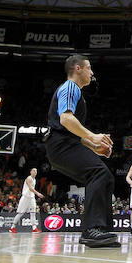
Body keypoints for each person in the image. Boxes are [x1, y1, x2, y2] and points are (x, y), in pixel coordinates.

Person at [44, 54, 118, 247]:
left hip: (65, 143)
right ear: (78, 68)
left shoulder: (76, 92)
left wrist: (94, 147)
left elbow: (73, 132)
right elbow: (66, 120)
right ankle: (91, 230)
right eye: (89, 68)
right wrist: (93, 136)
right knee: (99, 173)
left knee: (105, 176)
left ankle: (101, 229)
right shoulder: (70, 87)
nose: (92, 72)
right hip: (59, 145)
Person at [10, 168, 44, 233]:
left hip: (31, 197)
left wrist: (35, 194)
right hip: (25, 197)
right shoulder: (29, 178)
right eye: (34, 171)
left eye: (36, 171)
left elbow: (32, 190)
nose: (35, 172)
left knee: (33, 212)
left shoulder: (35, 180)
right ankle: (12, 227)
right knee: (21, 213)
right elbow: (30, 188)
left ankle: (34, 228)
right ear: (31, 172)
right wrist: (38, 193)